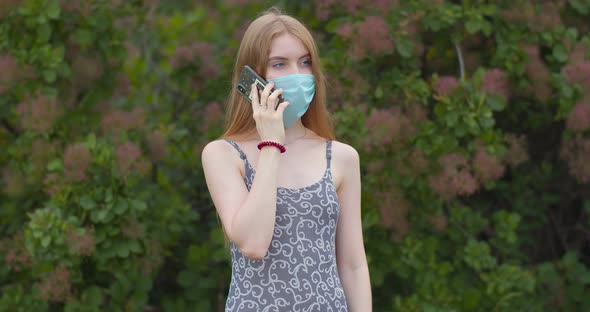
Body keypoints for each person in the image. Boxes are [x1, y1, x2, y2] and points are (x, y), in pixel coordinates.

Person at [201, 7, 372, 312]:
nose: (297, 74)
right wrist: (271, 144)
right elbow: (253, 243)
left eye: (305, 62)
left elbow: (353, 266)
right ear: (252, 75)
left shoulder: (342, 157)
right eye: (279, 64)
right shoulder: (222, 154)